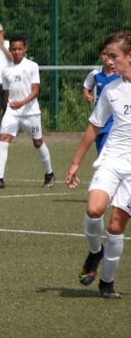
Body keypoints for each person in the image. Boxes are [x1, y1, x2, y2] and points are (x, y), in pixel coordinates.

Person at [66, 30, 131, 299]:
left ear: (130, 56)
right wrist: (75, 163)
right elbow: (94, 126)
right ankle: (95, 252)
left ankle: (107, 282)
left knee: (116, 227)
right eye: (107, 56)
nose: (109, 61)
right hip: (112, 158)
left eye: (114, 56)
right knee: (94, 210)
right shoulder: (111, 90)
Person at [0, 34, 54, 189]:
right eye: (14, 49)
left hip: (31, 113)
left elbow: (36, 91)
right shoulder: (6, 70)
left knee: (37, 142)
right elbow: (7, 92)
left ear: (25, 49)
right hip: (12, 112)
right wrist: (7, 108)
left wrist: (22, 103)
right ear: (10, 50)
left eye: (19, 49)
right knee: (3, 138)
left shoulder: (32, 66)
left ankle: (49, 173)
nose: (16, 52)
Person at [82, 48, 120, 154]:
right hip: (99, 116)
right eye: (104, 54)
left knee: (106, 147)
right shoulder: (96, 74)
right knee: (100, 149)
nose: (107, 57)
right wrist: (87, 95)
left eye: (110, 54)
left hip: (114, 117)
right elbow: (86, 86)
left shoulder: (120, 74)